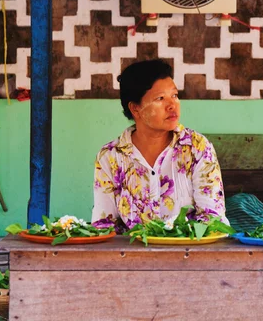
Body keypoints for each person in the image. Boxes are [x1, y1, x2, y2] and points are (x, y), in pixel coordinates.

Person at [91, 59, 228, 232]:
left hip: (190, 253)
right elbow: (104, 225)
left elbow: (212, 218)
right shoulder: (111, 156)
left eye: (175, 95)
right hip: (132, 255)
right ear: (135, 108)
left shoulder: (196, 147)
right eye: (160, 98)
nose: (172, 105)